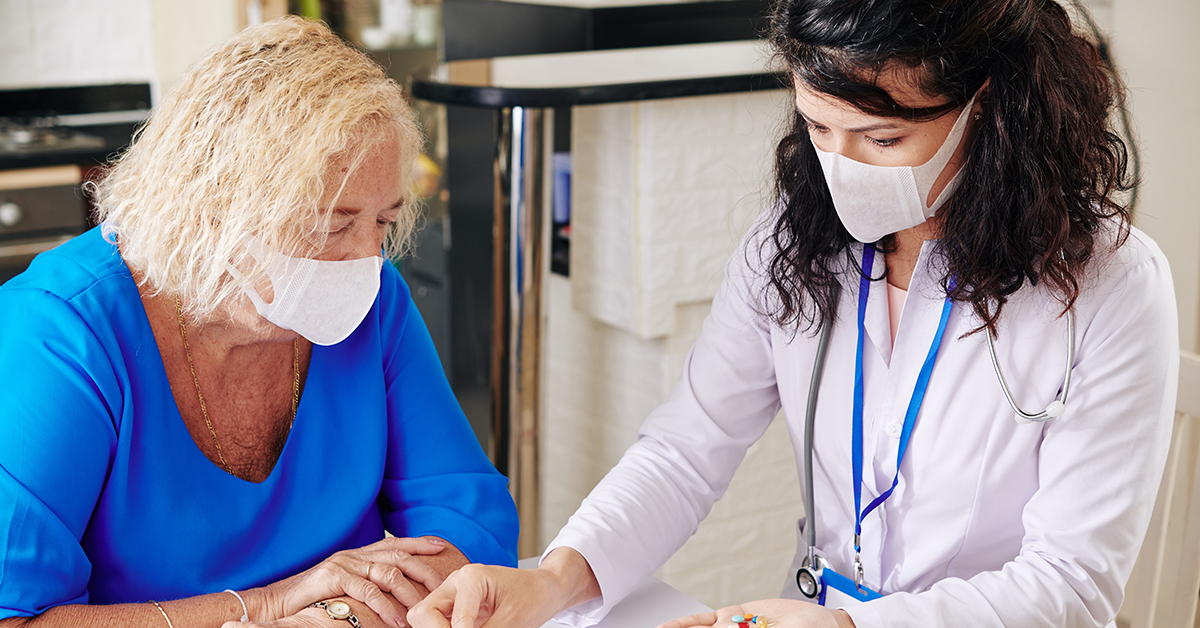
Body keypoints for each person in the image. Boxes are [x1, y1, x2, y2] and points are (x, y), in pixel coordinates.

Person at [407, 1, 1178, 627]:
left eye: (883, 137)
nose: (841, 167)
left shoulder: (1110, 287)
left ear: (994, 109)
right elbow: (687, 449)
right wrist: (556, 578)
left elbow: (1071, 586)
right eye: (818, 127)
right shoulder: (795, 239)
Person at [0, 16, 517, 628]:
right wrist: (271, 607)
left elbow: (466, 520)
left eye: (382, 223)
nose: (366, 260)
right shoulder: (61, 337)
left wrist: (336, 613)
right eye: (331, 225)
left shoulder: (375, 305)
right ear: (212, 206)